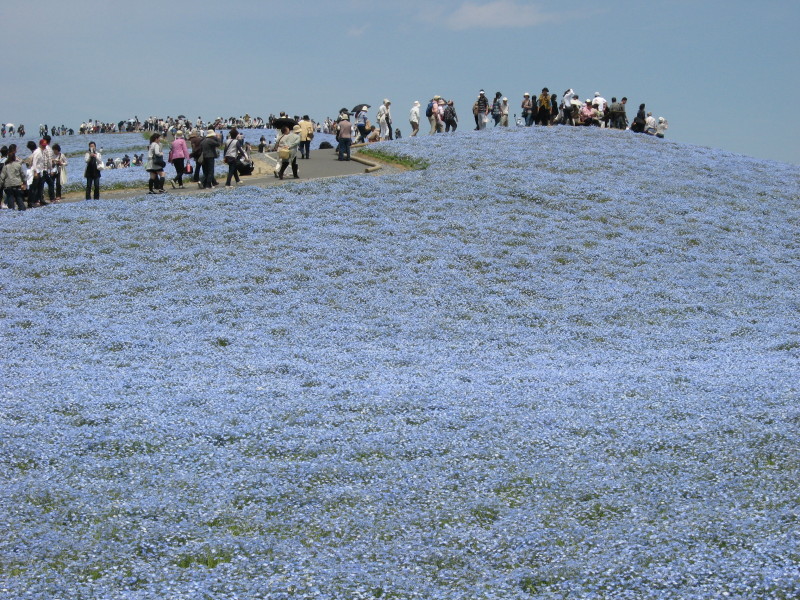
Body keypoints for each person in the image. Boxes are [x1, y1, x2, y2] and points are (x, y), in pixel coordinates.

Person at [0, 146, 26, 210]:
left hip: (8, 185)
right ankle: (22, 209)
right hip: (17, 184)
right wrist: (24, 183)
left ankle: (11, 212)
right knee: (19, 198)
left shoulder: (6, 166)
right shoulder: (18, 165)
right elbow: (23, 175)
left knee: (10, 198)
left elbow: (2, 177)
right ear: (14, 158)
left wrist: (0, 185)